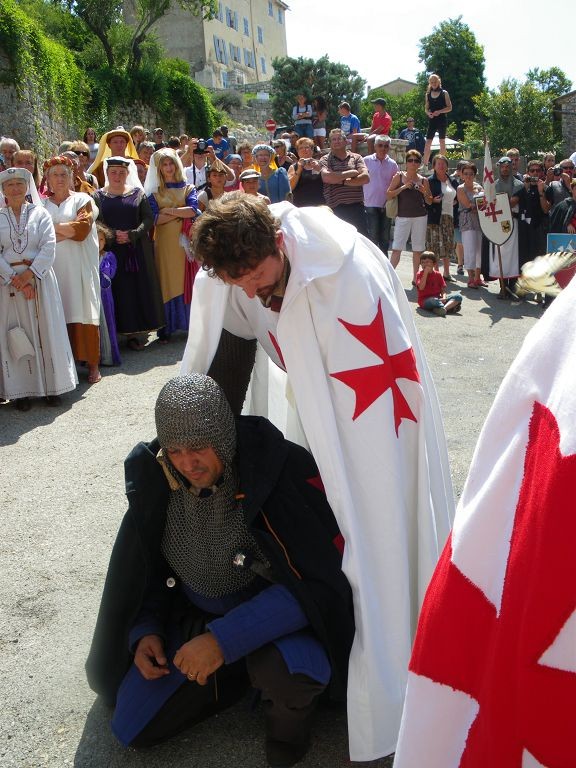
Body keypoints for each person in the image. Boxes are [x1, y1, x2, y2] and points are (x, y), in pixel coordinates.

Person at [180, 195, 454, 762]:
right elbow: (231, 355)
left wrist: (352, 468)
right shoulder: (242, 277)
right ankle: (337, 636)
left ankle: (393, 668)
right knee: (323, 531)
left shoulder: (342, 276)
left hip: (375, 420)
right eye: (237, 281)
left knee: (379, 529)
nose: (250, 289)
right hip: (320, 413)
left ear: (279, 243)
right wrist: (207, 444)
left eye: (256, 275)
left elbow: (372, 379)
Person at [86, 373, 354, 766]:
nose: (188, 464)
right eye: (175, 451)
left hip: (276, 619)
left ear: (222, 435)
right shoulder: (162, 480)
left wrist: (223, 641)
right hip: (198, 615)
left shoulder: (278, 471)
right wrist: (147, 629)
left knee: (290, 674)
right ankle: (232, 675)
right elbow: (150, 570)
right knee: (135, 727)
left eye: (198, 448)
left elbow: (316, 585)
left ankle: (286, 727)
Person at [0, 167, 77, 410]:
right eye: (9, 185)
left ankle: (52, 388)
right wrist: (15, 279)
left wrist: (29, 276)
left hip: (39, 281)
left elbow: (49, 246)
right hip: (9, 285)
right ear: (3, 190)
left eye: (19, 184)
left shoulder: (40, 213)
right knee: (17, 331)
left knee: (46, 330)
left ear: (27, 187)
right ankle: (21, 392)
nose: (15, 189)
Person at [92, 157, 164, 351]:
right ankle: (114, 334)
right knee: (116, 290)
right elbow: (97, 221)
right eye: (113, 172)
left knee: (133, 290)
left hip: (135, 250)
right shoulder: (97, 196)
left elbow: (148, 219)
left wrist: (132, 234)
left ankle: (133, 334)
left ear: (127, 173)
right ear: (107, 174)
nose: (117, 176)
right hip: (111, 251)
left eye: (121, 172)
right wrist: (112, 234)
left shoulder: (137, 194)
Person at [44, 156, 102, 384]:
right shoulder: (41, 205)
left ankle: (93, 364)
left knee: (83, 309)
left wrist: (51, 231)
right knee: (57, 311)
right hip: (53, 268)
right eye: (54, 175)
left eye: (63, 174)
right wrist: (61, 232)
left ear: (71, 177)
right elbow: (37, 236)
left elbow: (81, 230)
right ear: (47, 179)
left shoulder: (82, 199)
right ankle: (63, 367)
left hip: (79, 267)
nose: (59, 179)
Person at [145, 148, 199, 342]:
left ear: (176, 165)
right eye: (164, 165)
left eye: (171, 164)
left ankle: (191, 324)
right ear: (159, 168)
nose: (168, 168)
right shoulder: (154, 192)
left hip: (185, 244)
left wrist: (168, 211)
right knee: (166, 281)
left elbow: (193, 211)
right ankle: (167, 327)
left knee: (187, 280)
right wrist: (179, 212)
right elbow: (154, 219)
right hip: (165, 245)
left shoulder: (188, 188)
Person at [387, 149, 433, 285]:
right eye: (410, 160)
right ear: (406, 162)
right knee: (397, 248)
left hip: (420, 217)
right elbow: (388, 194)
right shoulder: (399, 176)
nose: (413, 163)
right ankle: (389, 277)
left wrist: (424, 191)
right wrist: (403, 187)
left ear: (419, 163)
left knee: (418, 249)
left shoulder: (424, 180)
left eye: (416, 161)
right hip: (403, 216)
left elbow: (430, 201)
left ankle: (415, 278)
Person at [319, 128, 369, 235]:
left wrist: (340, 181)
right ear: (330, 143)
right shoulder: (325, 159)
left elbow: (365, 178)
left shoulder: (356, 158)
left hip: (357, 208)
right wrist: (352, 173)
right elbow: (327, 177)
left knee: (361, 241)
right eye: (333, 139)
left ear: (346, 141)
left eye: (339, 138)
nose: (336, 141)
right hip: (335, 209)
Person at [363, 135, 398, 254]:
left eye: (386, 146)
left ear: (389, 147)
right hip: (370, 204)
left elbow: (396, 183)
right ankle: (372, 262)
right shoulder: (366, 161)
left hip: (386, 205)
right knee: (372, 237)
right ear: (375, 146)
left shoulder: (393, 164)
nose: (383, 148)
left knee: (385, 238)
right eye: (380, 145)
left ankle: (384, 263)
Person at [425, 154, 457, 281]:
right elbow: (425, 199)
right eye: (438, 164)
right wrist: (433, 200)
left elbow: (458, 194)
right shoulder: (429, 181)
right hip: (435, 216)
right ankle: (436, 274)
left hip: (449, 216)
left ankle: (447, 273)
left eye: (443, 164)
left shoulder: (452, 180)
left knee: (448, 244)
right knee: (435, 245)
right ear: (434, 166)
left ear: (447, 166)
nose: (441, 166)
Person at [96, 222, 121, 367]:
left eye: (101, 239)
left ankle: (108, 356)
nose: (99, 242)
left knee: (107, 322)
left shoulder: (108, 257)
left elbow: (109, 276)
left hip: (105, 296)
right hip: (91, 296)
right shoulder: (86, 257)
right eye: (95, 239)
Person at [457, 162, 485, 288]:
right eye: (466, 173)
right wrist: (477, 206)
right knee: (469, 249)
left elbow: (484, 204)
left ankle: (478, 278)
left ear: (474, 175)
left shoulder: (479, 187)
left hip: (480, 221)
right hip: (467, 221)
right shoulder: (460, 188)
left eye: (471, 174)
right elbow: (468, 205)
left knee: (479, 250)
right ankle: (470, 278)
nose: (468, 176)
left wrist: (478, 206)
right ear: (462, 175)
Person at [415, 251, 462, 316]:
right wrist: (425, 273)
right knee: (433, 300)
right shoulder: (419, 274)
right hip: (425, 301)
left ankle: (443, 309)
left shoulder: (438, 275)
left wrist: (444, 298)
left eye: (427, 262)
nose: (425, 264)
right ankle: (449, 307)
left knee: (458, 296)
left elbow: (442, 290)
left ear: (434, 264)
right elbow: (421, 287)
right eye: (423, 262)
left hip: (438, 299)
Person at [422, 74, 452, 167]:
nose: (433, 84)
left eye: (435, 82)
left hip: (442, 119)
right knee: (428, 142)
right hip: (432, 120)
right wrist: (428, 113)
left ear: (438, 81)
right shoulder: (428, 94)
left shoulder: (444, 93)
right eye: (431, 82)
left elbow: (449, 107)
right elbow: (426, 109)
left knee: (442, 141)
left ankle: (442, 163)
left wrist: (439, 111)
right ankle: (425, 165)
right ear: (429, 83)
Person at [287, 137, 324, 208]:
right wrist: (299, 170)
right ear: (297, 152)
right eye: (301, 148)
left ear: (312, 150)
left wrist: (319, 169)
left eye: (307, 147)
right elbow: (290, 187)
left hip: (320, 205)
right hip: (300, 206)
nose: (304, 149)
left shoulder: (320, 164)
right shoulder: (294, 167)